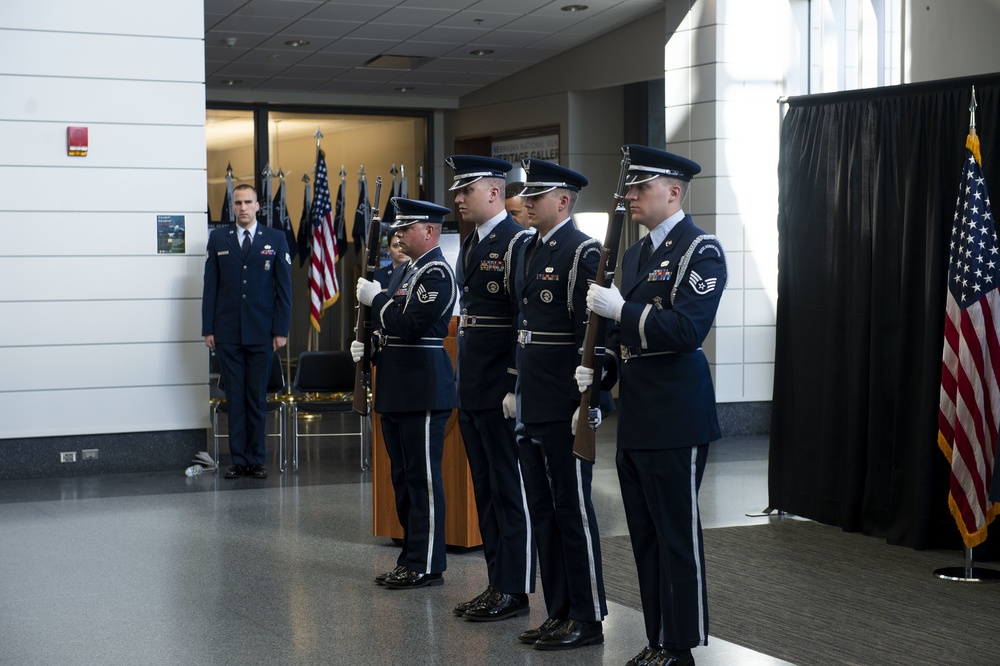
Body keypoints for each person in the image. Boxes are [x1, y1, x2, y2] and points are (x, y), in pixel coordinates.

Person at [580, 145, 727, 666]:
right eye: (630, 187)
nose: (631, 196)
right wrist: (598, 379)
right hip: (638, 412)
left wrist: (625, 309)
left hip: (676, 413)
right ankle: (658, 638)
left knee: (676, 536)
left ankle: (681, 646)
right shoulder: (635, 254)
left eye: (641, 188)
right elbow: (622, 337)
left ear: (674, 191)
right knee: (644, 534)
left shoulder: (700, 250)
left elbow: (687, 330)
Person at [511, 159, 606, 650]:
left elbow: (590, 335)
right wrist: (515, 386)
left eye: (536, 197)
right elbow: (521, 324)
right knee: (543, 511)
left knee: (572, 511)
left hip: (563, 402)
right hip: (532, 399)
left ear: (564, 201)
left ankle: (587, 617)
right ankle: (559, 610)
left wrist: (588, 401)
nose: (525, 203)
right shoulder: (527, 247)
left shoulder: (582, 251)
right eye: (526, 196)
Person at [447, 155, 536, 622]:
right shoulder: (473, 242)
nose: (458, 198)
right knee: (484, 489)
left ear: (495, 192)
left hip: (499, 383)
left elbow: (524, 318)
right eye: (457, 191)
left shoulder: (518, 241)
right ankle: (496, 581)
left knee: (508, 489)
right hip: (473, 385)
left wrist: (514, 383)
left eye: (467, 190)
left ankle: (516, 587)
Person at [352, 198, 458, 590]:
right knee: (402, 478)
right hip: (396, 388)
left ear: (429, 231)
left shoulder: (436, 273)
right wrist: (371, 346)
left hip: (423, 389)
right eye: (397, 228)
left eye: (405, 228)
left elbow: (410, 326)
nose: (396, 234)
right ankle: (410, 556)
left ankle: (428, 563)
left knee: (422, 479)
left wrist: (375, 300)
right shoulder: (404, 273)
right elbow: (390, 329)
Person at [202, 183, 292, 480]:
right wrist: (208, 328)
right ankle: (238, 461)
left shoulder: (276, 239)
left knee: (256, 398)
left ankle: (256, 460)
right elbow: (210, 287)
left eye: (248, 202)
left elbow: (284, 290)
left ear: (258, 206)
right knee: (235, 399)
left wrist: (281, 330)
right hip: (227, 333)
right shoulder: (217, 238)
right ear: (233, 206)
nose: (242, 207)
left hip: (262, 333)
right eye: (238, 203)